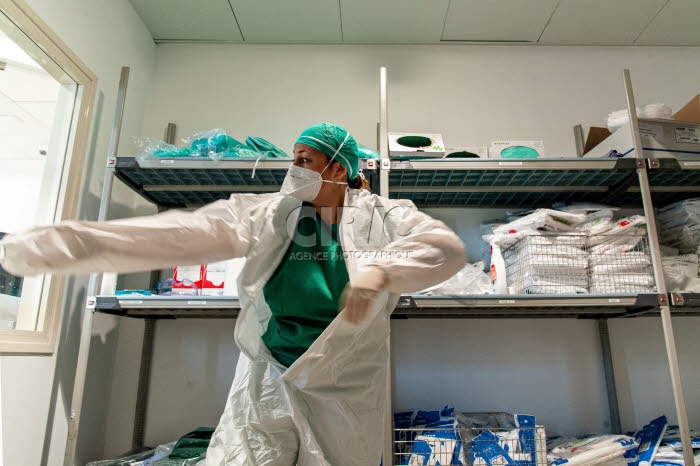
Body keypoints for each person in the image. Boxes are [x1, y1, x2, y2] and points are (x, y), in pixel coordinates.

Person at [0, 122, 466, 465]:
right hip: (268, 370)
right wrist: (71, 244)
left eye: (305, 159)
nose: (294, 168)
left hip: (344, 379)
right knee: (247, 458)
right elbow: (184, 232)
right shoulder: (270, 213)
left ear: (339, 169)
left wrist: (380, 272)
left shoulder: (385, 216)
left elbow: (444, 249)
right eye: (294, 158)